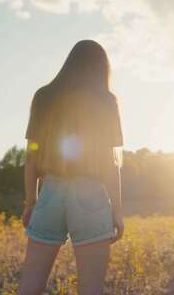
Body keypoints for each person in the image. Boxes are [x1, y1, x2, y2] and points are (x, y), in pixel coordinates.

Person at [18, 40, 125, 295]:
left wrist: (31, 202)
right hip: (91, 195)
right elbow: (111, 164)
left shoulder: (44, 96)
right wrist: (118, 212)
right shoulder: (106, 101)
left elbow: (31, 157)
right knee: (91, 289)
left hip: (50, 192)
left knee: (30, 284)